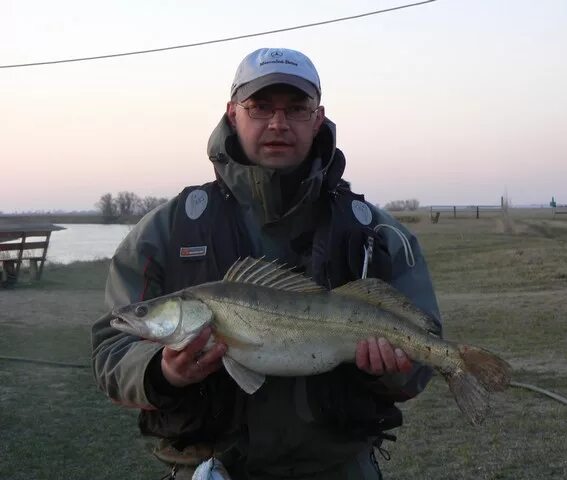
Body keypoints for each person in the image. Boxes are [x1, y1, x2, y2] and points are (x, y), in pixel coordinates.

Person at [92, 47, 442, 480]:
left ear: (318, 118)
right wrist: (162, 372)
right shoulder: (166, 230)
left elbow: (423, 356)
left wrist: (393, 372)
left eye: (296, 108)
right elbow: (112, 348)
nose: (278, 123)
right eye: (259, 107)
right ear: (232, 113)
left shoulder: (379, 233)